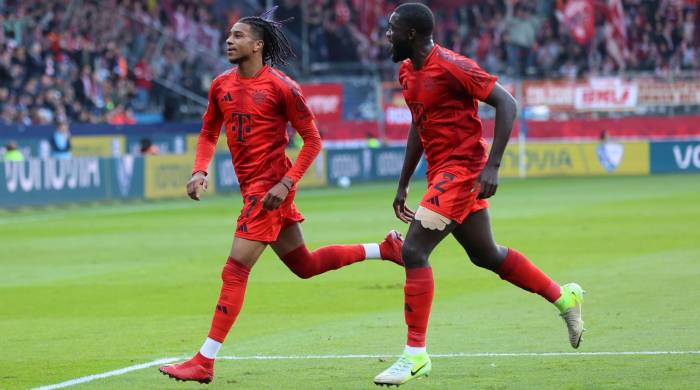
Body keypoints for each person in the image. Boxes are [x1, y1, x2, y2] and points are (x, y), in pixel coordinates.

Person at [158, 7, 404, 384]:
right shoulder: (220, 85)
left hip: (268, 189)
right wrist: (199, 169)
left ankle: (205, 360)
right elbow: (209, 132)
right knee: (304, 265)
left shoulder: (282, 87)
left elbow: (313, 140)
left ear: (257, 45)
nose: (229, 40)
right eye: (229, 35)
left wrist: (286, 183)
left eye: (238, 36)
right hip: (259, 191)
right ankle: (384, 249)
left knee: (235, 268)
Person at [374, 3, 585, 386]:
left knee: (413, 250)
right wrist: (404, 180)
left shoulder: (454, 65)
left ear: (411, 34)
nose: (385, 35)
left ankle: (415, 356)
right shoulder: (406, 72)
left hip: (463, 170)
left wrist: (494, 164)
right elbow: (418, 126)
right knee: (486, 254)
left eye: (391, 29)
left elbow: (507, 102)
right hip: (441, 173)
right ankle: (563, 298)